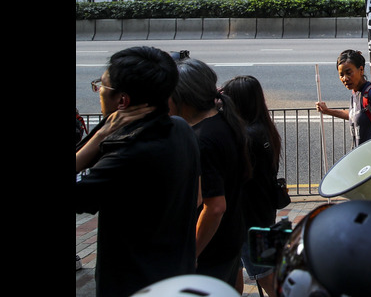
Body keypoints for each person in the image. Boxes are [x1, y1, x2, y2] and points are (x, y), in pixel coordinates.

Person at [75, 46, 201, 297]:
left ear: (122, 101)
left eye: (101, 86)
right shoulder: (180, 128)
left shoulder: (127, 156)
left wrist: (98, 137)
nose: (98, 91)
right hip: (174, 275)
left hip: (134, 285)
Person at [171, 58, 251, 288]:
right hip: (230, 238)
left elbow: (214, 207)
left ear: (181, 96)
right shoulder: (224, 121)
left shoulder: (202, 139)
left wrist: (191, 253)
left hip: (211, 249)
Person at [222, 75, 283, 296]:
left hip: (249, 221)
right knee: (263, 272)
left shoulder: (246, 137)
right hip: (264, 214)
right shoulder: (264, 129)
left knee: (266, 277)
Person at [316, 49, 371, 149]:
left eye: (349, 73)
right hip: (360, 155)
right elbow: (354, 114)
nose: (345, 78)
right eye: (341, 75)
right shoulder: (355, 94)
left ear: (361, 70)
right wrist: (327, 111)